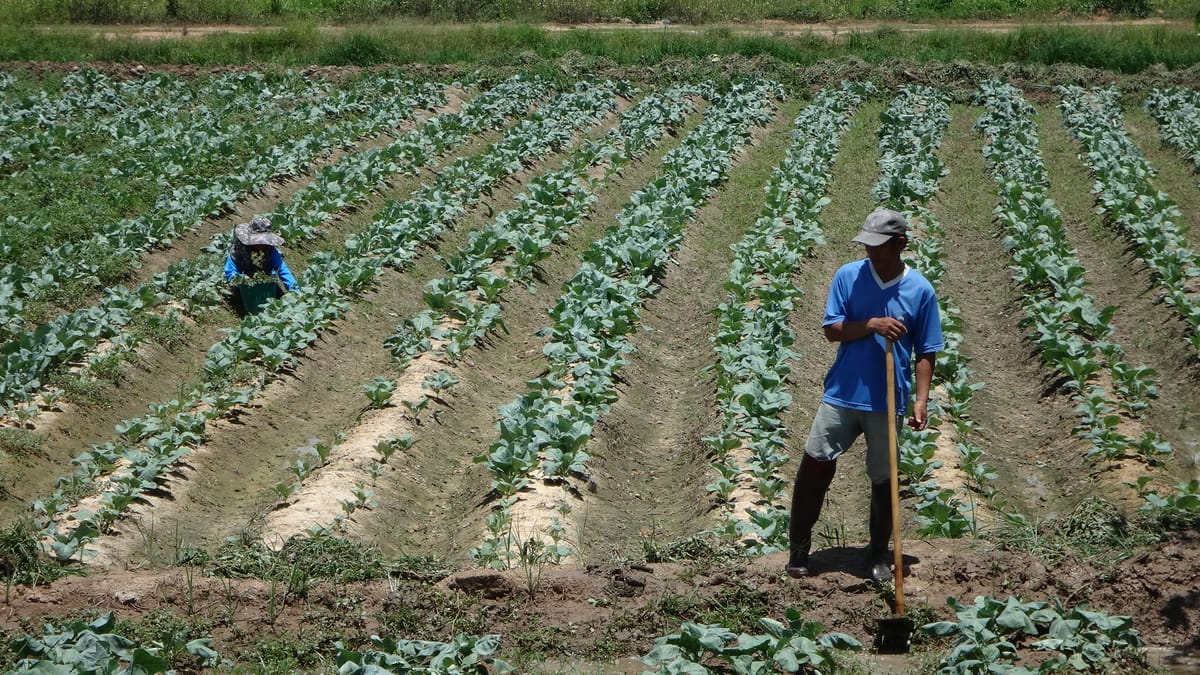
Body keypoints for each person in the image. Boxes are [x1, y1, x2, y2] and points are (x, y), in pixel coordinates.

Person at [786, 208, 943, 583]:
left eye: (879, 246)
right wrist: (871, 324)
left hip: (887, 399)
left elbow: (926, 351)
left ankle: (877, 556)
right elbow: (832, 330)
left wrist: (921, 400)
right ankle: (799, 551)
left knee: (884, 477)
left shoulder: (920, 290)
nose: (870, 251)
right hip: (843, 392)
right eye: (867, 245)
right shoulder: (848, 276)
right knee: (815, 463)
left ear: (900, 243)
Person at [223, 215, 297, 294]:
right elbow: (230, 272)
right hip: (242, 285)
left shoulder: (271, 251)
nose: (260, 244)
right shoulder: (237, 250)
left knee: (278, 293)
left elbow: (283, 270)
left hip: (265, 283)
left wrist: (296, 291)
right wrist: (243, 278)